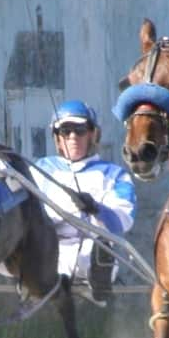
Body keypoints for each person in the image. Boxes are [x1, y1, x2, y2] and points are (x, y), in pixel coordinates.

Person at [30, 99, 136, 305]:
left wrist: (97, 209)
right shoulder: (41, 169)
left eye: (80, 130)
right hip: (49, 246)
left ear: (92, 134)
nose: (73, 137)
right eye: (66, 131)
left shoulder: (114, 174)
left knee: (100, 251)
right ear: (57, 138)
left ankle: (99, 278)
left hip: (92, 246)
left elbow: (123, 220)